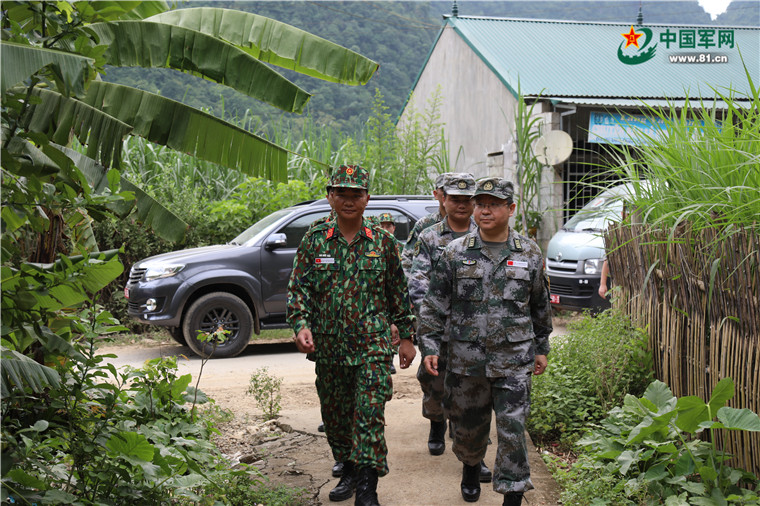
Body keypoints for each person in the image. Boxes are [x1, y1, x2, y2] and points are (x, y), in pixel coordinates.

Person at [418, 177, 552, 506]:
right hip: (466, 360)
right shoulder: (454, 252)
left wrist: (542, 347)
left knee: (512, 428)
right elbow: (435, 305)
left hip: (514, 359)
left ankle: (513, 493)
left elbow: (539, 304)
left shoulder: (529, 252)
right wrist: (431, 347)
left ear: (511, 208)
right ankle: (470, 465)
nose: (484, 210)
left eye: (493, 204)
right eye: (480, 203)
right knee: (468, 427)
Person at [287, 165, 416, 506]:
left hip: (373, 346)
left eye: (355, 194)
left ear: (367, 198)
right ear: (329, 196)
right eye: (340, 193)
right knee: (336, 416)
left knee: (370, 413)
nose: (348, 200)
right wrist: (301, 324)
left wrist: (406, 336)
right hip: (329, 348)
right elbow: (298, 288)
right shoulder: (315, 239)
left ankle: (368, 489)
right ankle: (348, 468)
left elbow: (398, 293)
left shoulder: (383, 242)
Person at [406, 172, 491, 481]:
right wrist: (430, 320)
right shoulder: (429, 237)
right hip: (441, 331)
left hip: (477, 335)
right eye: (455, 198)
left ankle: (473, 459)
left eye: (467, 199)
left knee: (474, 396)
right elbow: (418, 284)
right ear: (444, 198)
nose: (461, 204)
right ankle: (436, 423)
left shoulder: (488, 234)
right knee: (436, 386)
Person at [401, 172, 453, 276]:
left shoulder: (475, 225)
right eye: (444, 190)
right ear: (435, 194)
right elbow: (407, 261)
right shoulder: (424, 225)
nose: (448, 194)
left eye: (452, 190)